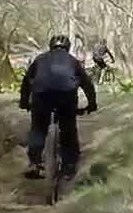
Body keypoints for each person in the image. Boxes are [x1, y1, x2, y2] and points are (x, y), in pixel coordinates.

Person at [20, 34, 96, 179]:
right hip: (66, 97)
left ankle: (34, 163)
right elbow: (87, 84)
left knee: (38, 128)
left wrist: (24, 102)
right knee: (68, 129)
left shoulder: (40, 59)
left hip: (41, 96)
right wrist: (92, 104)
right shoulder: (73, 61)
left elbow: (26, 82)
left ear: (50, 46)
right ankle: (69, 166)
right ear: (68, 47)